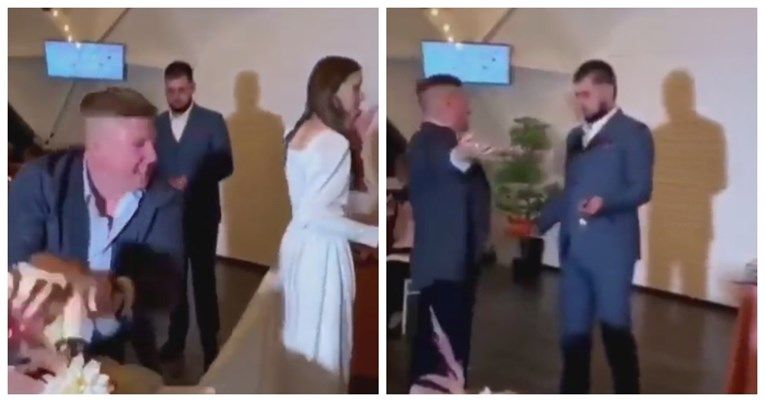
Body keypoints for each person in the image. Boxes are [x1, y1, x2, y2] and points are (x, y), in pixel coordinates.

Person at [201, 56, 377, 393]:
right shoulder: (334, 141)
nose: (361, 96)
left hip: (296, 244)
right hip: (322, 253)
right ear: (333, 92)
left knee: (297, 334)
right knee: (322, 344)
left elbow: (313, 205)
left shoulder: (298, 132)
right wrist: (375, 235)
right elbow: (319, 214)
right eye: (356, 88)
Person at [8, 87, 184, 371]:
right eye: (139, 144)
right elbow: (12, 263)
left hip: (124, 351)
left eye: (153, 144)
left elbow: (167, 285)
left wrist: (119, 292)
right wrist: (67, 276)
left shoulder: (165, 198)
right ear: (97, 146)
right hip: (37, 348)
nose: (152, 156)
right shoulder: (40, 181)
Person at [533, 60, 654, 393]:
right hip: (574, 249)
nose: (579, 102)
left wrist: (606, 202)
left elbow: (642, 189)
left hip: (612, 249)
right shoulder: (575, 137)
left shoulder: (634, 133)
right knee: (573, 334)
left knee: (615, 328)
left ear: (607, 90)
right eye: (577, 95)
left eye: (585, 94)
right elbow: (570, 191)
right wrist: (538, 222)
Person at [407, 74, 491, 387]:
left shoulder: (440, 141)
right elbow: (449, 163)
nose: (469, 109)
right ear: (449, 103)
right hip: (444, 269)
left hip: (452, 266)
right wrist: (463, 154)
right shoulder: (428, 142)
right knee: (440, 354)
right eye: (465, 102)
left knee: (446, 350)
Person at [155, 61, 234, 371]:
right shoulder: (157, 124)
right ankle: (175, 339)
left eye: (181, 89)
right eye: (170, 91)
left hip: (202, 214)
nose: (176, 96)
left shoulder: (212, 121)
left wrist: (193, 179)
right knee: (174, 281)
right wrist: (164, 181)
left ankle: (210, 344)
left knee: (204, 281)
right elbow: (148, 165)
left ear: (192, 88)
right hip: (168, 217)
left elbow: (226, 164)